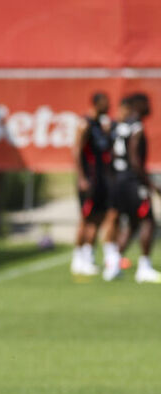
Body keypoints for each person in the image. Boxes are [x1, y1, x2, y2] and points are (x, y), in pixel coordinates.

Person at [103, 92, 160, 283]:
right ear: (138, 105)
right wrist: (150, 183)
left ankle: (113, 265)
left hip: (119, 180)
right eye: (146, 103)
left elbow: (112, 155)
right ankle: (144, 267)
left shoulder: (120, 127)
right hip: (132, 181)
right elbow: (135, 160)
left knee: (133, 222)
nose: (149, 107)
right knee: (148, 220)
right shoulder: (136, 127)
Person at [70, 92, 114, 276]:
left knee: (98, 217)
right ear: (96, 103)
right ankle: (77, 257)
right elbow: (76, 151)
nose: (108, 106)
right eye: (105, 103)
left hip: (99, 180)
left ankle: (88, 256)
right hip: (88, 180)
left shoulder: (100, 127)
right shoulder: (85, 124)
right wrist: (82, 178)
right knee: (86, 218)